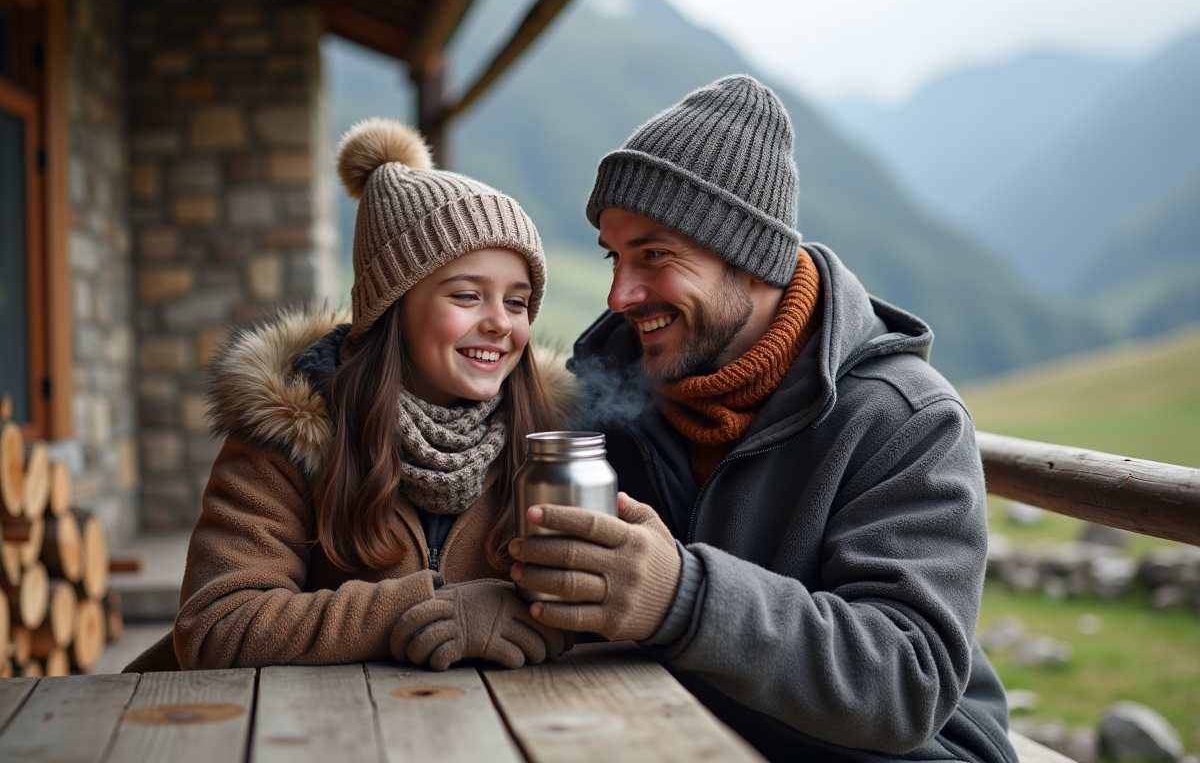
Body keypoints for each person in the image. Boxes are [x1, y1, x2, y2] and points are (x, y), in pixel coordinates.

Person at [507, 76, 1018, 763]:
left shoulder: (906, 419)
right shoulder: (615, 395)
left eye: (653, 254)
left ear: (751, 257)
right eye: (615, 255)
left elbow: (909, 681)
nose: (619, 293)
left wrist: (682, 598)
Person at [126, 118, 574, 673]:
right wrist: (425, 609)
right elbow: (218, 628)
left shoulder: (555, 444)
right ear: (391, 305)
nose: (501, 324)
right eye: (466, 295)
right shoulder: (292, 430)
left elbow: (592, 608)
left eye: (516, 302)